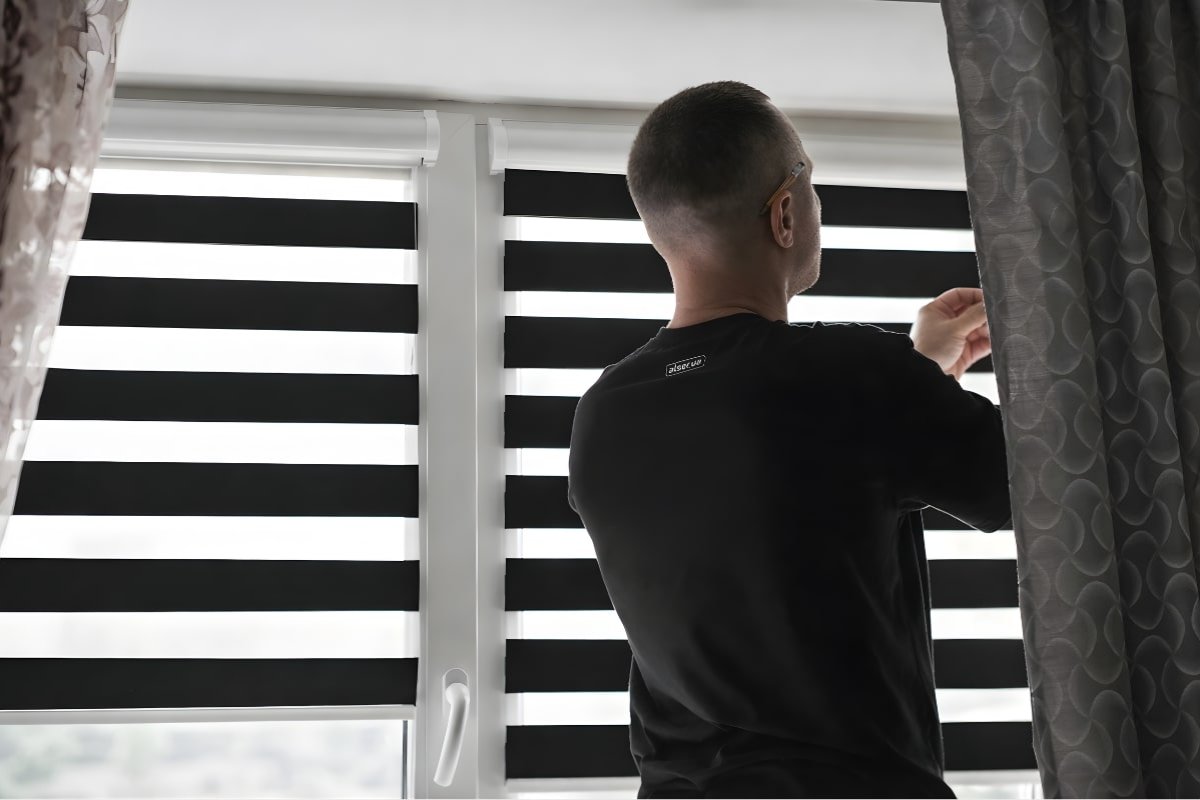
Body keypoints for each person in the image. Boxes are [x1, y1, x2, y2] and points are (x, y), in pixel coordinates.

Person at [566, 81, 1012, 798]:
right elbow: (1048, 481)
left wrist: (922, 372)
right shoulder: (853, 377)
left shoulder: (603, 412)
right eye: (810, 182)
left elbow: (773, 473)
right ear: (783, 213)